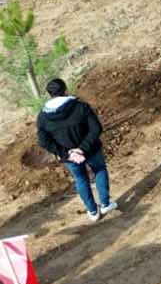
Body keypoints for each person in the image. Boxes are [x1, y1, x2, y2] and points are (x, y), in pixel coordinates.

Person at [36, 80, 115, 221]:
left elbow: (44, 141)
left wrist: (68, 153)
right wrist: (82, 149)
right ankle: (105, 204)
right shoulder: (81, 107)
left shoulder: (43, 117)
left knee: (81, 179)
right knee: (99, 170)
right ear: (65, 90)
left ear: (49, 94)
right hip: (91, 149)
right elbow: (96, 129)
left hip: (69, 158)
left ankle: (92, 211)